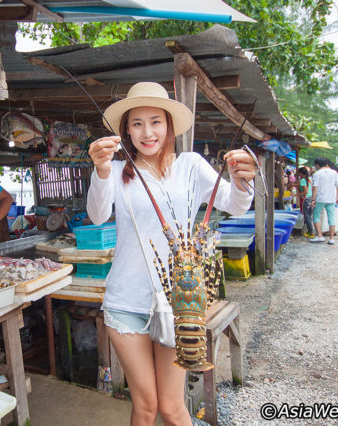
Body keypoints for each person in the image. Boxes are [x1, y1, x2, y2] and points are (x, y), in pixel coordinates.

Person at [86, 82, 256, 425]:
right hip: (126, 301)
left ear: (169, 126)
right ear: (125, 130)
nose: (147, 132)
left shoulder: (190, 166)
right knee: (145, 406)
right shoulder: (117, 171)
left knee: (173, 407)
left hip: (179, 305)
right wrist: (101, 171)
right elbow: (98, 215)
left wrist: (243, 180)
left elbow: (233, 205)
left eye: (155, 122)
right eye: (136, 123)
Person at [310, 158, 338, 245]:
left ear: (318, 164)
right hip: (331, 198)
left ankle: (320, 236)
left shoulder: (317, 174)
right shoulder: (334, 172)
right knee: (331, 218)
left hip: (320, 198)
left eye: (316, 165)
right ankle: (331, 238)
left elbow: (315, 187)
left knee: (316, 216)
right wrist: (337, 197)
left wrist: (313, 199)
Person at [296, 167, 315, 237]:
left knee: (306, 215)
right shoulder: (308, 179)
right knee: (309, 215)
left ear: (301, 173)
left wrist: (297, 194)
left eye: (299, 173)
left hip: (305, 199)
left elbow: (305, 191)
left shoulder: (303, 180)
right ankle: (310, 230)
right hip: (309, 198)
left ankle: (311, 231)